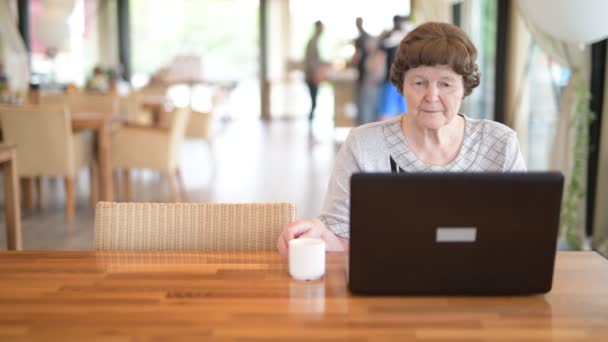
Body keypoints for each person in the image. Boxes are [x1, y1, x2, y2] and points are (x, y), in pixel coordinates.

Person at [277, 22, 527, 259]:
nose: (431, 96)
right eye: (419, 83)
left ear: (465, 87)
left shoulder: (500, 143)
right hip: (386, 291)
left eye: (446, 84)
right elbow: (341, 237)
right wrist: (320, 233)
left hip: (480, 286)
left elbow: (520, 234)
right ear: (401, 85)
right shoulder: (363, 144)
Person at [376, 15, 409, 120]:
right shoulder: (389, 37)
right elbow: (380, 57)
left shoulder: (407, 37)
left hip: (404, 80)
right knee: (387, 111)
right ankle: (382, 134)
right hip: (391, 79)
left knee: (405, 111)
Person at [304, 21, 328, 133]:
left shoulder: (314, 41)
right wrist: (314, 75)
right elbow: (311, 62)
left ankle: (310, 127)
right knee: (313, 102)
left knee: (314, 102)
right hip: (311, 77)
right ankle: (309, 127)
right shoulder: (312, 42)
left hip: (312, 76)